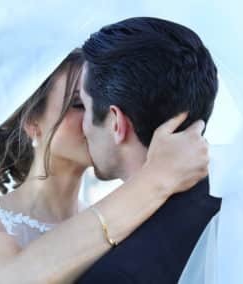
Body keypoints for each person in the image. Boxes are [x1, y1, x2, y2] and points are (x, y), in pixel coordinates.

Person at [0, 47, 210, 283]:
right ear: (32, 123)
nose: (97, 116)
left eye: (100, 102)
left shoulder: (126, 215)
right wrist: (156, 178)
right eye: (78, 105)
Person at [76, 17, 221, 283]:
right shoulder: (242, 213)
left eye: (82, 106)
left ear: (116, 122)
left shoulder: (114, 273)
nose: (81, 126)